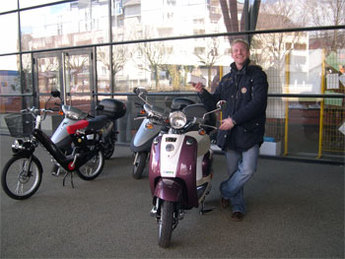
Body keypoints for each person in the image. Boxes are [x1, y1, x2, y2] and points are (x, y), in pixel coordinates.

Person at [192, 39, 268, 221]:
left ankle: (225, 190)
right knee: (234, 172)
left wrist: (233, 120)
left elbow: (258, 104)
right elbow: (214, 103)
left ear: (247, 53)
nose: (239, 52)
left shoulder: (257, 75)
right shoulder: (226, 79)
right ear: (232, 54)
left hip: (249, 132)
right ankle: (238, 206)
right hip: (230, 134)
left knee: (248, 169)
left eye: (242, 50)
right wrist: (202, 92)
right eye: (235, 50)